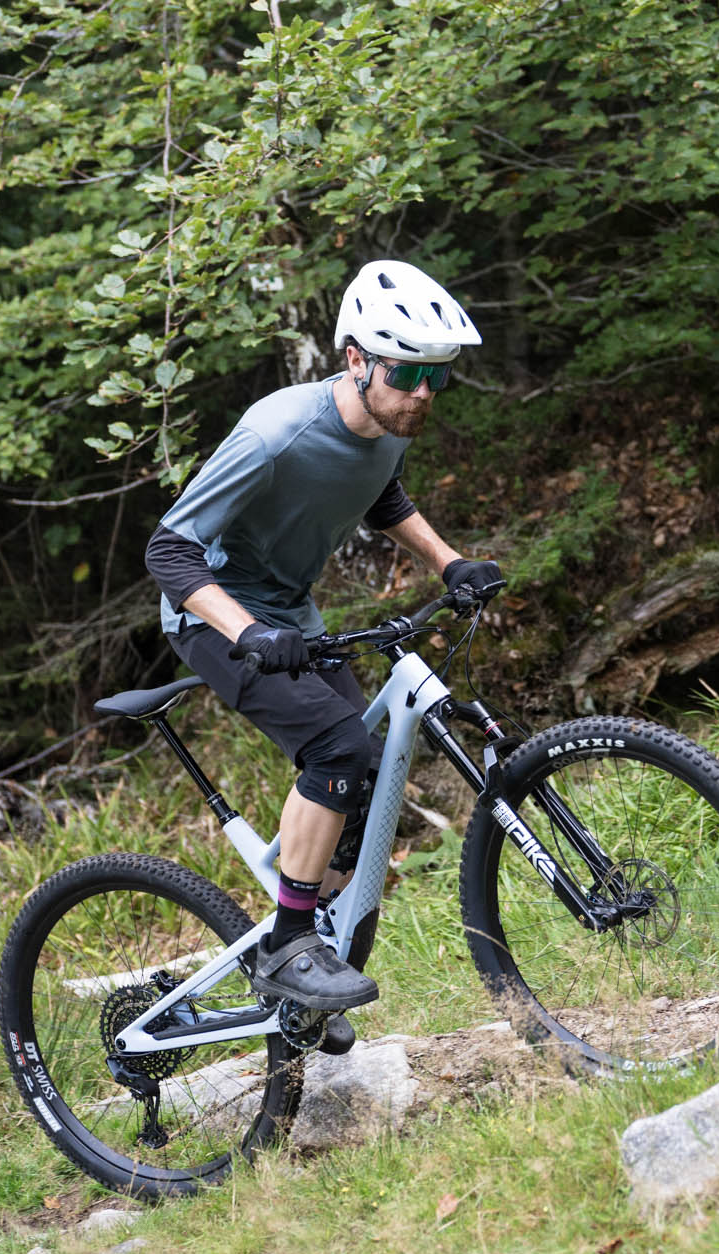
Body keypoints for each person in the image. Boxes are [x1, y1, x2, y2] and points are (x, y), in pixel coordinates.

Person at [142, 260, 503, 1017]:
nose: (424, 394)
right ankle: (290, 945)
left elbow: (380, 494)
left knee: (366, 770)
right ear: (355, 360)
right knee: (336, 746)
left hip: (289, 616)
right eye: (409, 374)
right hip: (213, 617)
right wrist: (248, 632)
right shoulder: (277, 433)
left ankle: (306, 986)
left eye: (438, 377)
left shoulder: (390, 423)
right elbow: (169, 552)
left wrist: (449, 562)